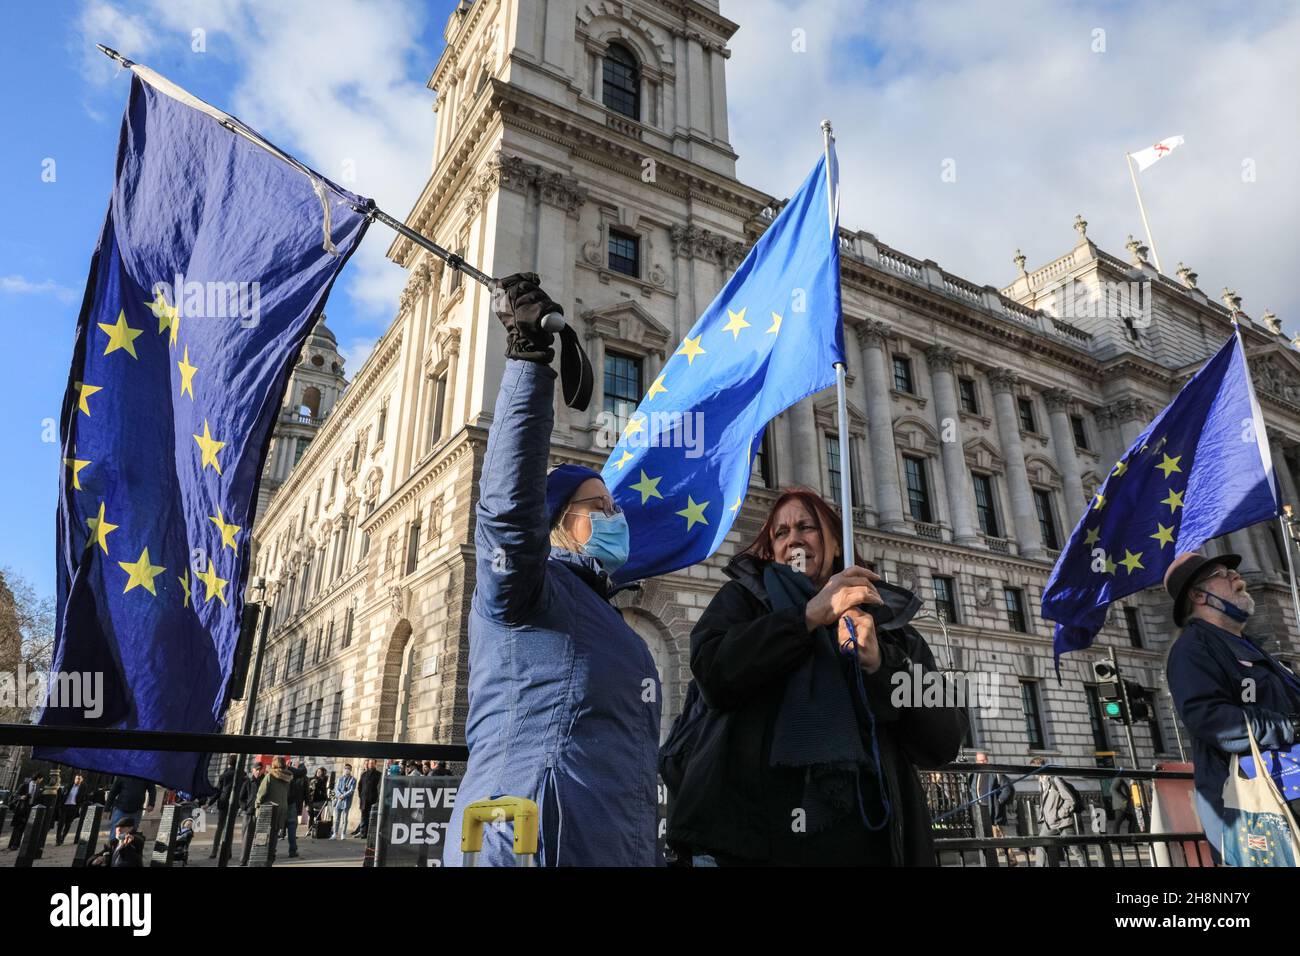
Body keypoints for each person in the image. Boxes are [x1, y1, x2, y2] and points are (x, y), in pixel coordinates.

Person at [443, 273, 661, 867]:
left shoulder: (606, 613)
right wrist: (530, 365)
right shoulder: (528, 585)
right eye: (599, 508)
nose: (615, 518)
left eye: (616, 508)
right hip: (527, 843)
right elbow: (508, 511)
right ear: (559, 521)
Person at [664, 487, 965, 866]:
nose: (794, 539)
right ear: (771, 550)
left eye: (806, 527)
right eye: (781, 532)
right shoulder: (743, 602)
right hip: (758, 843)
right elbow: (714, 673)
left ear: (836, 543)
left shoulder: (889, 625)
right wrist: (807, 617)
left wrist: (882, 665)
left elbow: (944, 740)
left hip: (871, 843)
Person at [1164, 551, 1300, 863]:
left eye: (1233, 572)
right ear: (1200, 595)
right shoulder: (1192, 649)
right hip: (1255, 804)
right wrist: (1287, 727)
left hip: (1287, 788)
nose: (1237, 577)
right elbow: (1208, 718)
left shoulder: (1249, 645)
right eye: (1223, 574)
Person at [1030, 757, 1082, 866]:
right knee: (1040, 845)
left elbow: (1070, 800)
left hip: (1063, 822)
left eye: (1032, 769)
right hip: (1049, 823)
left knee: (1075, 850)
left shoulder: (1055, 780)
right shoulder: (1042, 783)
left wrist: (1060, 814)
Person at [257, 757, 294, 865]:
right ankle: (270, 858)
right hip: (281, 811)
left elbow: (261, 794)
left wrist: (257, 807)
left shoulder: (269, 777)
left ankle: (261, 859)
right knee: (273, 836)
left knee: (262, 836)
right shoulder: (287, 778)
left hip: (268, 810)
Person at [210, 755, 243, 858]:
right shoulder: (242, 774)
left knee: (220, 828)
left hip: (223, 803)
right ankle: (228, 852)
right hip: (234, 804)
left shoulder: (224, 775)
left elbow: (218, 791)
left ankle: (214, 852)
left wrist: (209, 803)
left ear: (229, 763)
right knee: (230, 828)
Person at [5, 771, 44, 851]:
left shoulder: (38, 787)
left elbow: (37, 798)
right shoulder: (25, 785)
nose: (41, 781)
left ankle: (16, 844)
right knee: (19, 827)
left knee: (25, 827)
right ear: (38, 778)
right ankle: (14, 844)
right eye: (41, 779)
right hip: (22, 808)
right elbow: (15, 795)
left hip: (30, 809)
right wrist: (21, 797)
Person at [237, 762, 266, 866]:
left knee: (260, 838)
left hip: (261, 814)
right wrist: (245, 807)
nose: (258, 772)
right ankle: (243, 860)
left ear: (262, 770)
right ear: (252, 770)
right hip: (249, 813)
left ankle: (255, 859)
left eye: (259, 770)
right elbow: (241, 798)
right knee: (246, 838)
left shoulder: (265, 782)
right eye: (256, 770)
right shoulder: (248, 782)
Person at [55, 773, 90, 845]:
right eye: (76, 778)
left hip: (73, 807)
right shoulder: (69, 786)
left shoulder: (83, 788)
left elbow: (84, 798)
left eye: (79, 779)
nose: (77, 780)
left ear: (82, 780)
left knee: (68, 824)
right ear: (74, 779)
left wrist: (81, 805)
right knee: (61, 823)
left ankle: (62, 838)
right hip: (64, 806)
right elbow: (62, 794)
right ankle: (58, 840)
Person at [284, 758, 307, 858]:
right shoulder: (290, 772)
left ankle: (271, 851)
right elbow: (303, 771)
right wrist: (300, 764)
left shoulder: (274, 773)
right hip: (290, 804)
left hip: (280, 803)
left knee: (275, 829)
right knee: (292, 828)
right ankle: (292, 851)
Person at [355, 759, 381, 838]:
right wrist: (361, 796)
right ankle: (363, 833)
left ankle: (371, 834)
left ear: (375, 764)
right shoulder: (364, 774)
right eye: (370, 763)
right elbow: (360, 786)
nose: (371, 765)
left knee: (372, 818)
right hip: (364, 800)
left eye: (372, 763)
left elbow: (379, 787)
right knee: (363, 817)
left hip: (373, 799)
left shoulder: (379, 774)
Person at [333, 765, 356, 840]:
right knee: (337, 819)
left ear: (351, 770)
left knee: (344, 819)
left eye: (348, 769)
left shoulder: (353, 779)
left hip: (346, 801)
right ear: (343, 769)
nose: (347, 770)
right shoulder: (340, 778)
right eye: (346, 769)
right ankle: (335, 833)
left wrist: (343, 796)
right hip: (339, 800)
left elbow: (351, 790)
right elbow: (336, 788)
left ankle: (343, 834)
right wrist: (339, 795)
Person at [308, 768, 329, 835]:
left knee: (318, 816)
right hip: (312, 800)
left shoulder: (324, 780)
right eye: (318, 771)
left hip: (320, 801)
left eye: (320, 772)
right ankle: (310, 830)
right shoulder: (311, 779)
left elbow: (328, 789)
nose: (318, 772)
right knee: (311, 815)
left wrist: (331, 798)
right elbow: (309, 789)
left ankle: (318, 830)